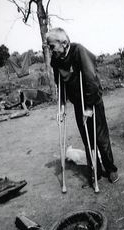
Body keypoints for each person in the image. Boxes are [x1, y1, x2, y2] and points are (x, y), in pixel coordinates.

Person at [47, 27, 119, 186]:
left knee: (101, 137)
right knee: (88, 139)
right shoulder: (56, 60)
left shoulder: (78, 50)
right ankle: (96, 172)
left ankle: (111, 169)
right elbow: (60, 84)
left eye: (52, 46)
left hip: (92, 99)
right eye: (49, 47)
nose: (50, 50)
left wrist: (89, 107)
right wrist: (61, 108)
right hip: (78, 103)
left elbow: (91, 80)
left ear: (63, 43)